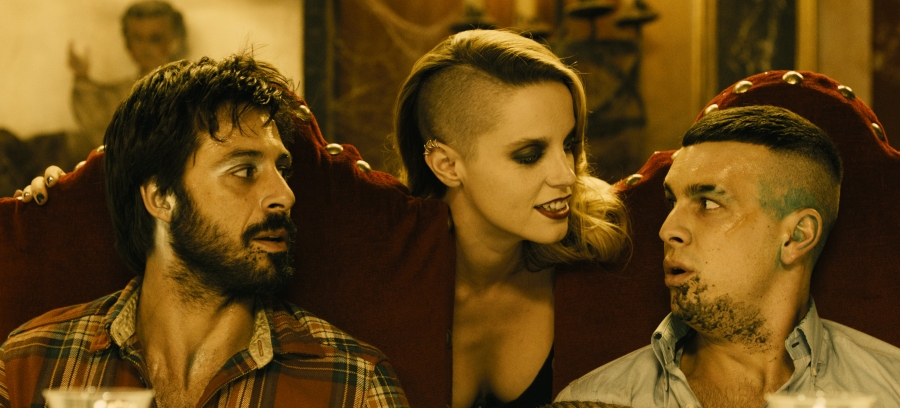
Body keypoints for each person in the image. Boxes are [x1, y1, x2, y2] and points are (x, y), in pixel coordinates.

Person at [0, 53, 408, 408]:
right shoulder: (30, 363)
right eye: (245, 171)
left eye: (282, 170)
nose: (285, 196)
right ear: (161, 198)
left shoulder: (351, 384)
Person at [555, 105, 900, 407]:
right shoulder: (595, 401)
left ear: (796, 236)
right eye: (671, 202)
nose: (667, 230)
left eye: (708, 203)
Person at [393, 29, 631, 408]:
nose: (566, 175)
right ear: (447, 166)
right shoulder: (385, 278)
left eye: (569, 144)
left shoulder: (597, 264)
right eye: (529, 155)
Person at [69, 1, 186, 156]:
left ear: (175, 40)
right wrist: (81, 76)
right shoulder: (122, 93)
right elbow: (98, 126)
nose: (145, 47)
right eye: (137, 38)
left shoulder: (186, 88)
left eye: (155, 38)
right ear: (127, 42)